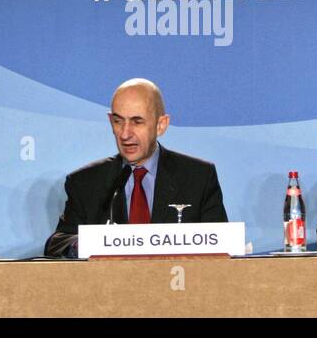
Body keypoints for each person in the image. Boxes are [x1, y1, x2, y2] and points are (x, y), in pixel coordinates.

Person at [44, 78, 227, 257]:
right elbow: (58, 242)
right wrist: (87, 244)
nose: (125, 134)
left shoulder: (198, 177)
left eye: (137, 122)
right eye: (118, 121)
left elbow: (222, 245)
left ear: (161, 125)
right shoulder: (86, 182)